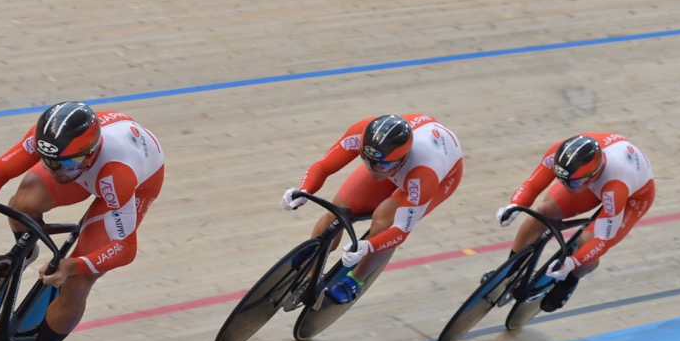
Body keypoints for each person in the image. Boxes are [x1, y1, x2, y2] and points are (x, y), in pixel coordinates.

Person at [0, 102, 165, 341]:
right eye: (47, 160)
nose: (54, 170)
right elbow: (0, 168)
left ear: (89, 154)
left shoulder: (117, 175)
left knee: (77, 282)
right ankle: (23, 255)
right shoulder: (54, 143)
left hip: (133, 180)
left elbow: (125, 248)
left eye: (62, 164)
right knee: (23, 201)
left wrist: (74, 265)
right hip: (86, 167)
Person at [281, 113, 464, 303]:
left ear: (401, 159)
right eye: (366, 160)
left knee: (383, 221)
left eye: (381, 166)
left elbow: (400, 230)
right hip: (398, 160)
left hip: (441, 175)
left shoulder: (424, 174)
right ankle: (312, 271)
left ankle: (355, 280)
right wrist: (303, 190)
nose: (373, 170)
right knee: (339, 208)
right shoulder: (363, 134)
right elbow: (323, 166)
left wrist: (368, 246)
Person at [495, 132, 655, 312]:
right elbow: (532, 184)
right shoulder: (561, 155)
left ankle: (570, 282)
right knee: (544, 212)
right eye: (560, 179)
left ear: (592, 175)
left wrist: (572, 263)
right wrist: (515, 205)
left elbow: (603, 239)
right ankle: (509, 271)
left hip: (633, 197)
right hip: (597, 178)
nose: (565, 186)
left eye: (572, 183)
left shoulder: (614, 188)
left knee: (586, 241)